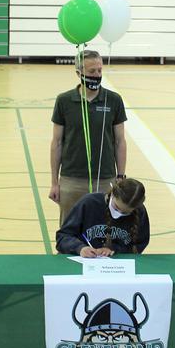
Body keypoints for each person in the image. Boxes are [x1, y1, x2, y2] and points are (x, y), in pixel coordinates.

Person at [49, 50, 128, 224]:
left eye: (99, 70)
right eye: (92, 71)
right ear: (79, 73)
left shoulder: (113, 100)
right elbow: (57, 142)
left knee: (103, 227)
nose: (97, 75)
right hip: (72, 179)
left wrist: (120, 177)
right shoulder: (64, 101)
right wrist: (55, 182)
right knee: (69, 227)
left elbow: (120, 141)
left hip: (105, 178)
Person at [56, 178, 149, 256]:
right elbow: (63, 236)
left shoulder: (140, 212)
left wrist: (115, 250)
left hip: (116, 268)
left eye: (125, 212)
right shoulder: (89, 203)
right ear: (112, 194)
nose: (119, 213)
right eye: (116, 207)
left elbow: (140, 244)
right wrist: (80, 248)